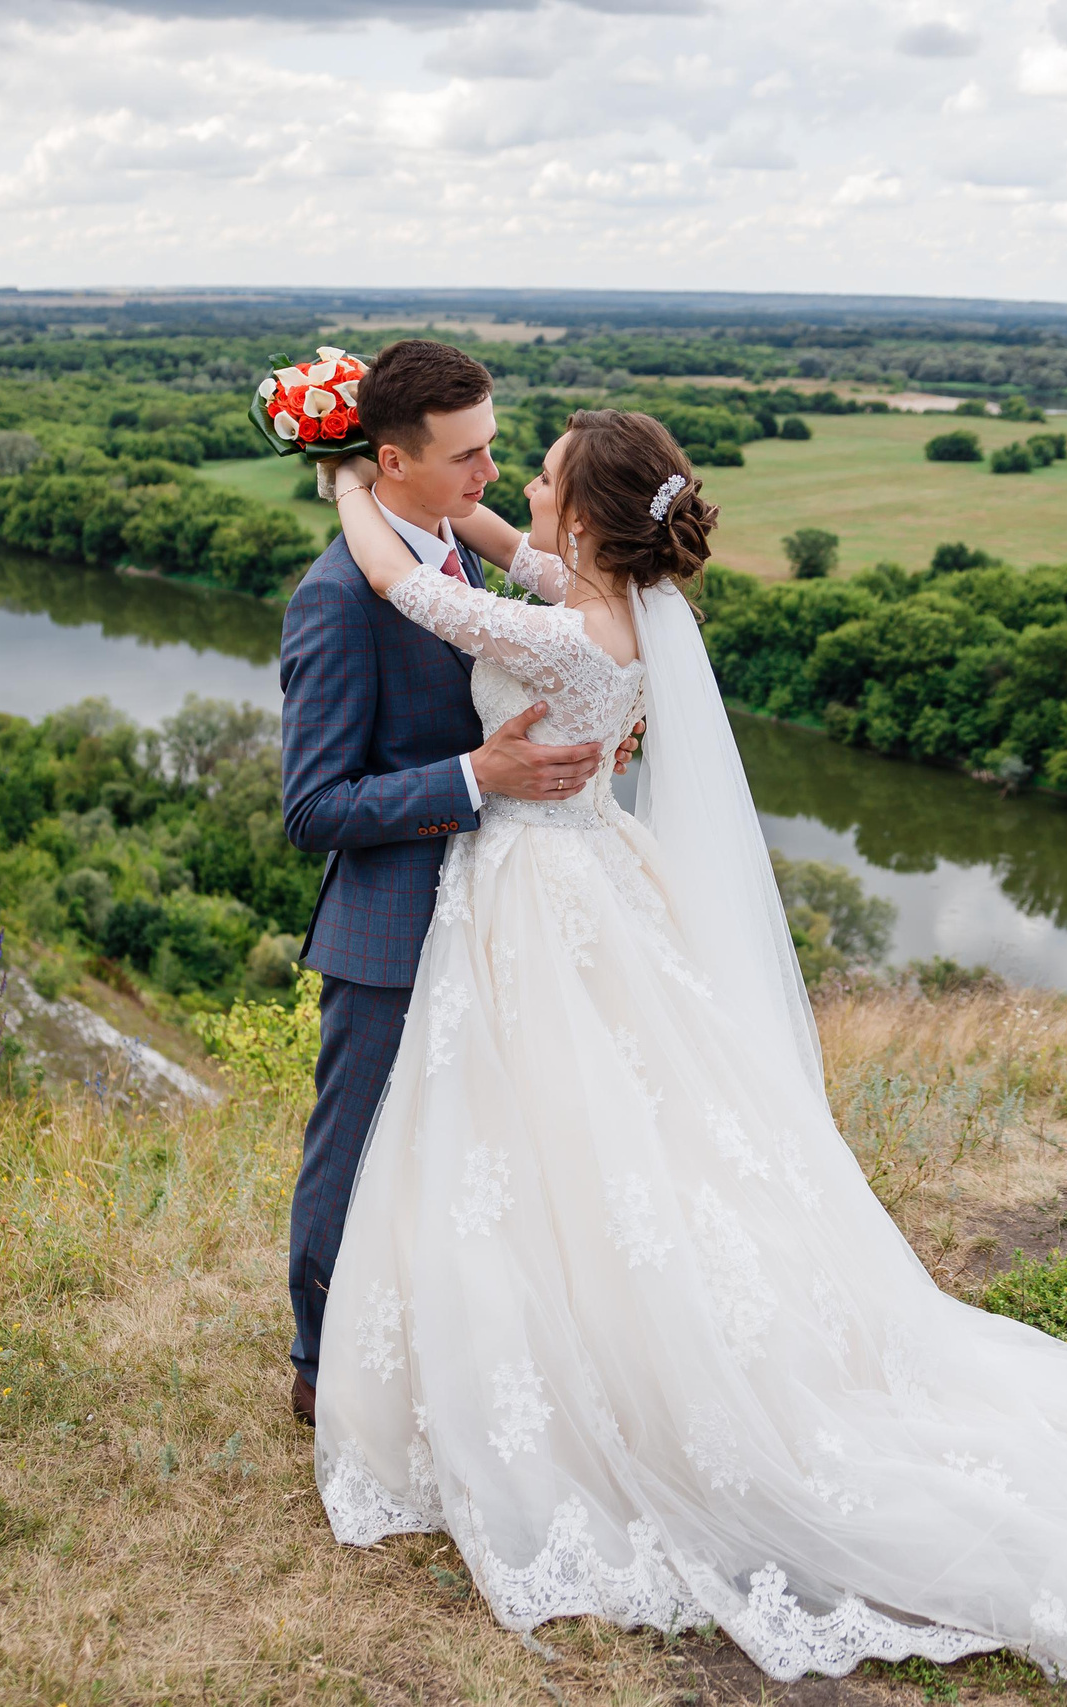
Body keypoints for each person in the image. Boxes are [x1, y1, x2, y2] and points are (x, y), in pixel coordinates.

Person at [307, 405, 1067, 1686]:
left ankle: (587, 1369)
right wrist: (423, 489)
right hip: (581, 884)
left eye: (539, 473)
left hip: (537, 896)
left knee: (552, 1131)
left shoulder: (553, 624)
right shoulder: (599, 601)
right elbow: (470, 529)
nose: (511, 481)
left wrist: (347, 476)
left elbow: (391, 577)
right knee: (608, 1135)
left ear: (579, 517)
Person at [277, 339, 637, 1425]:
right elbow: (313, 809)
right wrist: (475, 776)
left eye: (495, 450)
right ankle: (318, 1363)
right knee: (358, 1149)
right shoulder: (338, 598)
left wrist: (591, 737)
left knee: (481, 1151)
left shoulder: (462, 556)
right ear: (388, 460)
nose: (490, 476)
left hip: (506, 913)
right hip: (394, 925)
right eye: (466, 457)